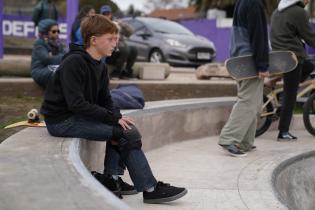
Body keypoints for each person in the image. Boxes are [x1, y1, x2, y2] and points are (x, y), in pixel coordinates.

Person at [40, 14, 187, 203]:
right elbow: (75, 103)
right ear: (93, 40)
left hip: (77, 115)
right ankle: (150, 188)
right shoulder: (74, 62)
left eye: (116, 39)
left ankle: (112, 178)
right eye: (110, 39)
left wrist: (117, 116)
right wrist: (111, 118)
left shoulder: (99, 65)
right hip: (62, 121)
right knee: (125, 134)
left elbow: (106, 98)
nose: (115, 44)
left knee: (125, 129)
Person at [218, 0, 269, 157]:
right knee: (248, 100)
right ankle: (229, 138)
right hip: (249, 58)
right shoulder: (254, 3)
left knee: (255, 101)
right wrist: (262, 65)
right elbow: (258, 35)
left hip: (240, 57)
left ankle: (246, 141)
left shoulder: (243, 1)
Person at [270, 0, 315, 141]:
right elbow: (309, 36)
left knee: (309, 66)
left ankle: (282, 92)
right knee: (291, 95)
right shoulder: (299, 12)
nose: (308, 1)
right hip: (292, 57)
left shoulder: (277, 11)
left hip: (278, 55)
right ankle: (283, 132)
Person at [100, 5, 138, 79]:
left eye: (108, 13)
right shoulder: (100, 23)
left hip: (118, 47)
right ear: (101, 15)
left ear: (111, 14)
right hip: (108, 50)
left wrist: (124, 25)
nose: (106, 16)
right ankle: (116, 72)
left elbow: (130, 33)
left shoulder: (116, 22)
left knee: (134, 49)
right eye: (104, 14)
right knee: (125, 49)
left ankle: (127, 70)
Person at [31, 19, 65, 89]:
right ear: (46, 32)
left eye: (58, 31)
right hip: (40, 71)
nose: (57, 33)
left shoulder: (58, 44)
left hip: (52, 68)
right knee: (61, 71)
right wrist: (62, 57)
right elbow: (46, 59)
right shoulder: (39, 43)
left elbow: (66, 55)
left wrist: (55, 57)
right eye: (54, 31)